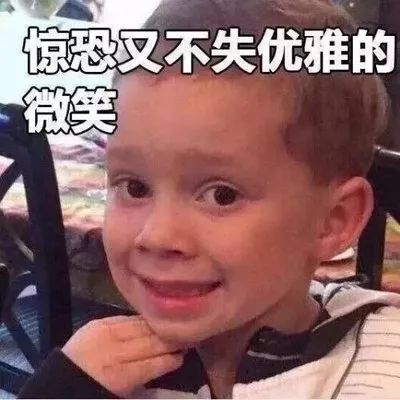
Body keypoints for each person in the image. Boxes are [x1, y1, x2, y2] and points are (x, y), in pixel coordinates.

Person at [18, 0, 400, 398]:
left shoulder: (383, 373)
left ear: (332, 221)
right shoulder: (95, 375)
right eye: (135, 187)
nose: (157, 236)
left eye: (222, 195)